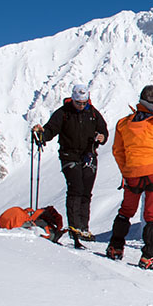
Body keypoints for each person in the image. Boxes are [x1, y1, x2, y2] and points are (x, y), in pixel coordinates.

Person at [107, 84, 153, 270]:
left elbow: (117, 151)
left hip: (133, 173)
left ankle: (115, 247)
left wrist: (127, 170)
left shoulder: (123, 123)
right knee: (152, 216)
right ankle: (149, 256)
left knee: (126, 210)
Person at [32, 83, 107, 245]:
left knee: (86, 191)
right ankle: (75, 227)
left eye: (84, 103)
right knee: (76, 189)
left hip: (89, 155)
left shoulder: (93, 113)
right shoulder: (63, 113)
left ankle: (83, 228)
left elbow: (103, 130)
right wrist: (42, 135)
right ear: (72, 99)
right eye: (78, 103)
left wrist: (102, 137)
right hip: (69, 155)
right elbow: (51, 129)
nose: (81, 105)